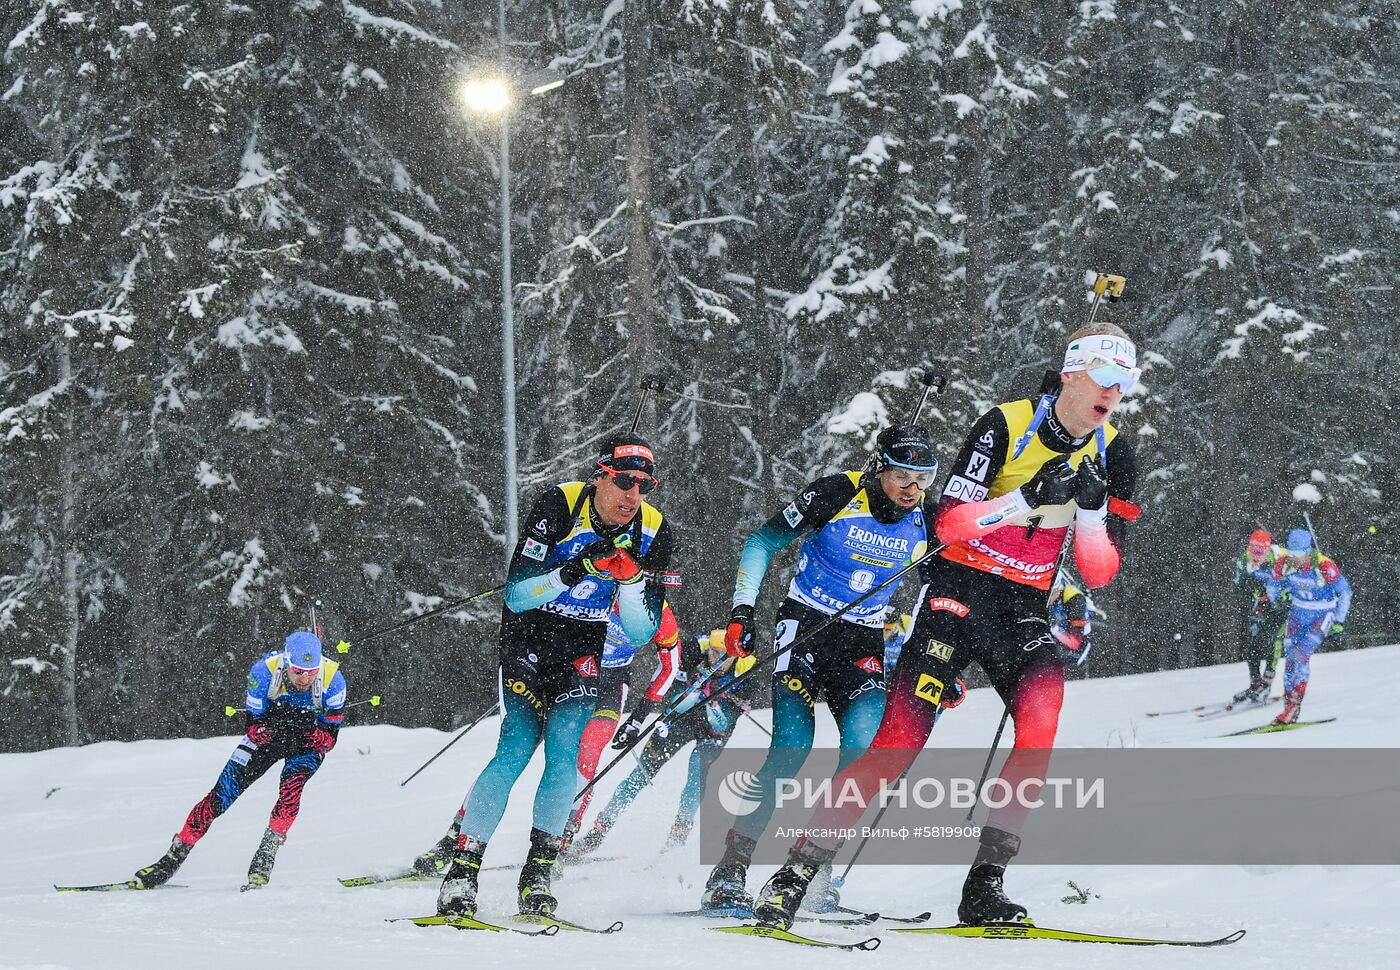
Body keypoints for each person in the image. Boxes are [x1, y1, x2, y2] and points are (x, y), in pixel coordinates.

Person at [749, 322, 1140, 930]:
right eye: (1105, 378)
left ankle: (985, 885)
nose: (1114, 393)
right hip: (957, 596)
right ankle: (795, 875)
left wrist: (1089, 512)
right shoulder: (1005, 424)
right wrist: (1025, 497)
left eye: (1126, 383)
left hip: (1023, 608)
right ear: (1071, 373)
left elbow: (1100, 570)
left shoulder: (1117, 451)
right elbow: (951, 525)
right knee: (896, 744)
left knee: (1040, 728)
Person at [701, 424, 942, 914]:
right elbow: (761, 542)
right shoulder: (837, 492)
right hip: (806, 624)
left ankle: (811, 866)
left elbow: (938, 588)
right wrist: (742, 611)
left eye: (923, 478)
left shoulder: (928, 520)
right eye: (901, 475)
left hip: (863, 640)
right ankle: (732, 865)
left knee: (862, 752)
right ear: (879, 467)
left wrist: (939, 654)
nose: (912, 489)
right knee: (791, 748)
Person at [434, 433, 674, 919]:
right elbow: (517, 595)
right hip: (529, 638)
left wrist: (629, 583)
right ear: (600, 474)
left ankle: (537, 873)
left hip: (584, 647)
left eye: (645, 485)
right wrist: (577, 568)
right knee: (514, 751)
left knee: (564, 760)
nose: (634, 496)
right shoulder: (560, 504)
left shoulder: (655, 531)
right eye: (625, 481)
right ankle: (461, 872)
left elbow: (643, 629)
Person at [131, 631, 346, 889]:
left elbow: (329, 742)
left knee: (291, 787)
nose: (305, 678)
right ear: (287, 663)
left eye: (311, 672)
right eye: (299, 671)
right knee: (221, 795)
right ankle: (171, 859)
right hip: (269, 739)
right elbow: (253, 729)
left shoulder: (334, 680)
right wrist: (272, 725)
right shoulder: (263, 672)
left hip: (306, 744)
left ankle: (266, 854)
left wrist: (308, 729)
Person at [564, 628, 757, 861]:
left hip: (714, 732)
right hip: (677, 723)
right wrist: (695, 692)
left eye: (725, 657)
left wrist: (713, 699)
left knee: (696, 778)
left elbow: (722, 722)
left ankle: (676, 839)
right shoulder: (694, 650)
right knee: (640, 774)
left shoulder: (746, 668)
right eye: (715, 654)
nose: (718, 661)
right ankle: (598, 833)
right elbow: (675, 701)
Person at [564, 597, 685, 845]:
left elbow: (670, 668)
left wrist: (637, 720)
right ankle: (464, 822)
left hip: (612, 680)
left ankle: (564, 832)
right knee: (550, 748)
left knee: (589, 753)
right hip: (572, 669)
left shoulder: (660, 614)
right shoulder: (606, 583)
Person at [1265, 528, 1351, 724]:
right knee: (1289, 659)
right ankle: (1289, 705)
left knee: (1301, 654)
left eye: (1299, 554)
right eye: (1291, 553)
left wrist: (1339, 621)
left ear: (1308, 550)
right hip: (1297, 613)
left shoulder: (1324, 566)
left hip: (1322, 614)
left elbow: (1345, 593)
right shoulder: (1284, 563)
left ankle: (1295, 705)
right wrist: (1276, 599)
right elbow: (1273, 583)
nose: (1295, 558)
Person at [1232, 530, 1287, 704]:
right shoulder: (1244, 560)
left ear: (1268, 549)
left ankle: (1267, 682)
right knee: (1252, 641)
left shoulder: (1280, 559)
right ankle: (1255, 683)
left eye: (1259, 551)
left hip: (1282, 604)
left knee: (1273, 640)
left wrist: (1276, 597)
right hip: (1261, 604)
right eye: (1251, 550)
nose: (1255, 555)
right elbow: (1238, 586)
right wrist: (1254, 593)